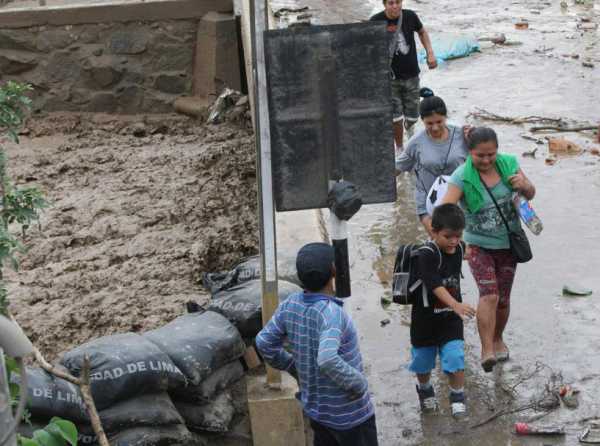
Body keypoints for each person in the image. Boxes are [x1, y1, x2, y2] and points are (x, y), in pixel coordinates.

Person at [255, 242, 378, 446]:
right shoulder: (331, 313)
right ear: (334, 270)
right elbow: (327, 359)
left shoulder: (290, 304)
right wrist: (358, 383)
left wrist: (292, 366)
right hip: (350, 417)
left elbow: (264, 342)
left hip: (318, 413)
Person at [442, 127, 536, 372]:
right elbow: (445, 211)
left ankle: (497, 338)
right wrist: (453, 243)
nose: (485, 160)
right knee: (489, 295)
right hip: (477, 245)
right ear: (470, 152)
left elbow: (531, 194)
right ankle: (486, 350)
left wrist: (524, 184)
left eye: (490, 155)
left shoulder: (509, 164)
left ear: (497, 150)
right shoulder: (461, 176)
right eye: (479, 156)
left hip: (508, 243)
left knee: (503, 300)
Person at [409, 203, 476, 418]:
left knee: (455, 357)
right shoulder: (425, 254)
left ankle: (457, 396)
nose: (454, 241)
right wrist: (456, 304)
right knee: (423, 362)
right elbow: (433, 284)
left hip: (449, 320)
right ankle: (425, 390)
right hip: (424, 320)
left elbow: (471, 250)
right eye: (448, 236)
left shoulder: (458, 247)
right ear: (434, 231)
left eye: (458, 236)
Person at [395, 96, 469, 237]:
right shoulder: (416, 143)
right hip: (429, 202)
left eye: (439, 122)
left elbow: (483, 157)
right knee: (441, 241)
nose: (435, 127)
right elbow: (398, 168)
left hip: (460, 200)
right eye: (429, 123)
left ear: (445, 117)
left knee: (462, 245)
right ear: (422, 120)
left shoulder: (462, 135)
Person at [370, 0, 437, 151]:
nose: (395, 6)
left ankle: (410, 127)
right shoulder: (375, 21)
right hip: (389, 78)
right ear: (384, 4)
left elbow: (422, 32)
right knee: (395, 117)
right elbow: (366, 46)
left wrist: (430, 53)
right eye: (391, 3)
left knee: (413, 115)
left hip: (412, 75)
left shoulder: (410, 16)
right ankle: (400, 148)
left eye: (398, 2)